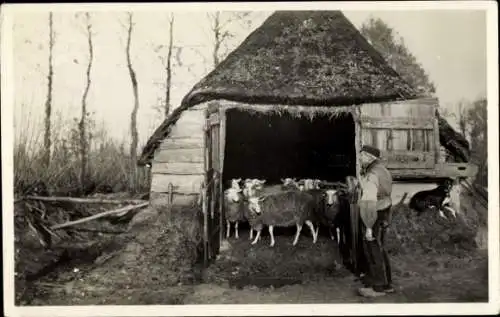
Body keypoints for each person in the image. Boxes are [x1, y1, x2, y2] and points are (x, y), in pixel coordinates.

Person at [357, 145, 394, 297]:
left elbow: (369, 202)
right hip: (384, 210)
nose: (360, 159)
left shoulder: (372, 174)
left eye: (363, 156)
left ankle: (377, 288)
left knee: (372, 249)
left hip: (374, 212)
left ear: (369, 157)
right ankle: (387, 284)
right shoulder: (383, 170)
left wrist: (368, 225)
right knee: (380, 248)